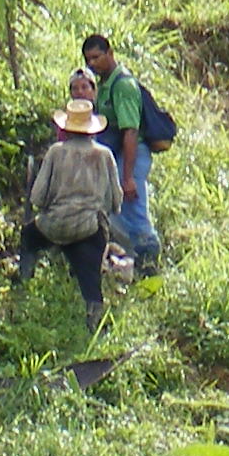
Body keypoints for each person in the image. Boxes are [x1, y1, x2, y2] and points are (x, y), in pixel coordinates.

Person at [20, 75, 121, 327]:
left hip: (53, 226)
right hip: (88, 229)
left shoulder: (56, 152)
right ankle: (94, 316)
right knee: (90, 275)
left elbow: (37, 197)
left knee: (28, 236)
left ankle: (23, 287)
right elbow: (115, 201)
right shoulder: (104, 155)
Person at [83, 31, 162, 275]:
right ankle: (135, 264)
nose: (92, 64)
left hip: (132, 155)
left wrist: (127, 177)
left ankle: (149, 262)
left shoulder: (123, 85)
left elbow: (130, 131)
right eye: (88, 60)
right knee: (117, 210)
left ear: (110, 53)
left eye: (97, 57)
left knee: (133, 209)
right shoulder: (105, 85)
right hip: (120, 155)